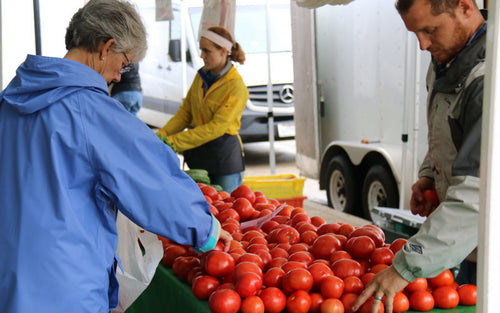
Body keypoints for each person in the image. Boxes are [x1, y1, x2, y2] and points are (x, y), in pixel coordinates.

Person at [0, 1, 231, 312]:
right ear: (105, 47)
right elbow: (153, 182)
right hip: (66, 284)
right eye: (125, 64)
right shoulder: (90, 111)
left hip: (10, 277)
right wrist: (206, 231)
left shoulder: (11, 99)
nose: (121, 77)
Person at [353, 0, 486, 312]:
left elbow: (478, 192)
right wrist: (431, 173)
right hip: (469, 244)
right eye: (415, 33)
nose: (423, 44)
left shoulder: (486, 81)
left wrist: (404, 267)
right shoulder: (449, 59)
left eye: (430, 30)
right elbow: (448, 132)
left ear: (465, 7)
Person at [156, 26, 249, 193]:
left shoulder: (236, 86)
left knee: (227, 211)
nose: (201, 55)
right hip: (199, 156)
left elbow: (216, 128)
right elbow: (185, 114)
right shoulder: (201, 77)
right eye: (201, 49)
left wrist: (173, 142)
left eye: (207, 51)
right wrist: (161, 134)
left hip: (224, 159)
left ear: (223, 51)